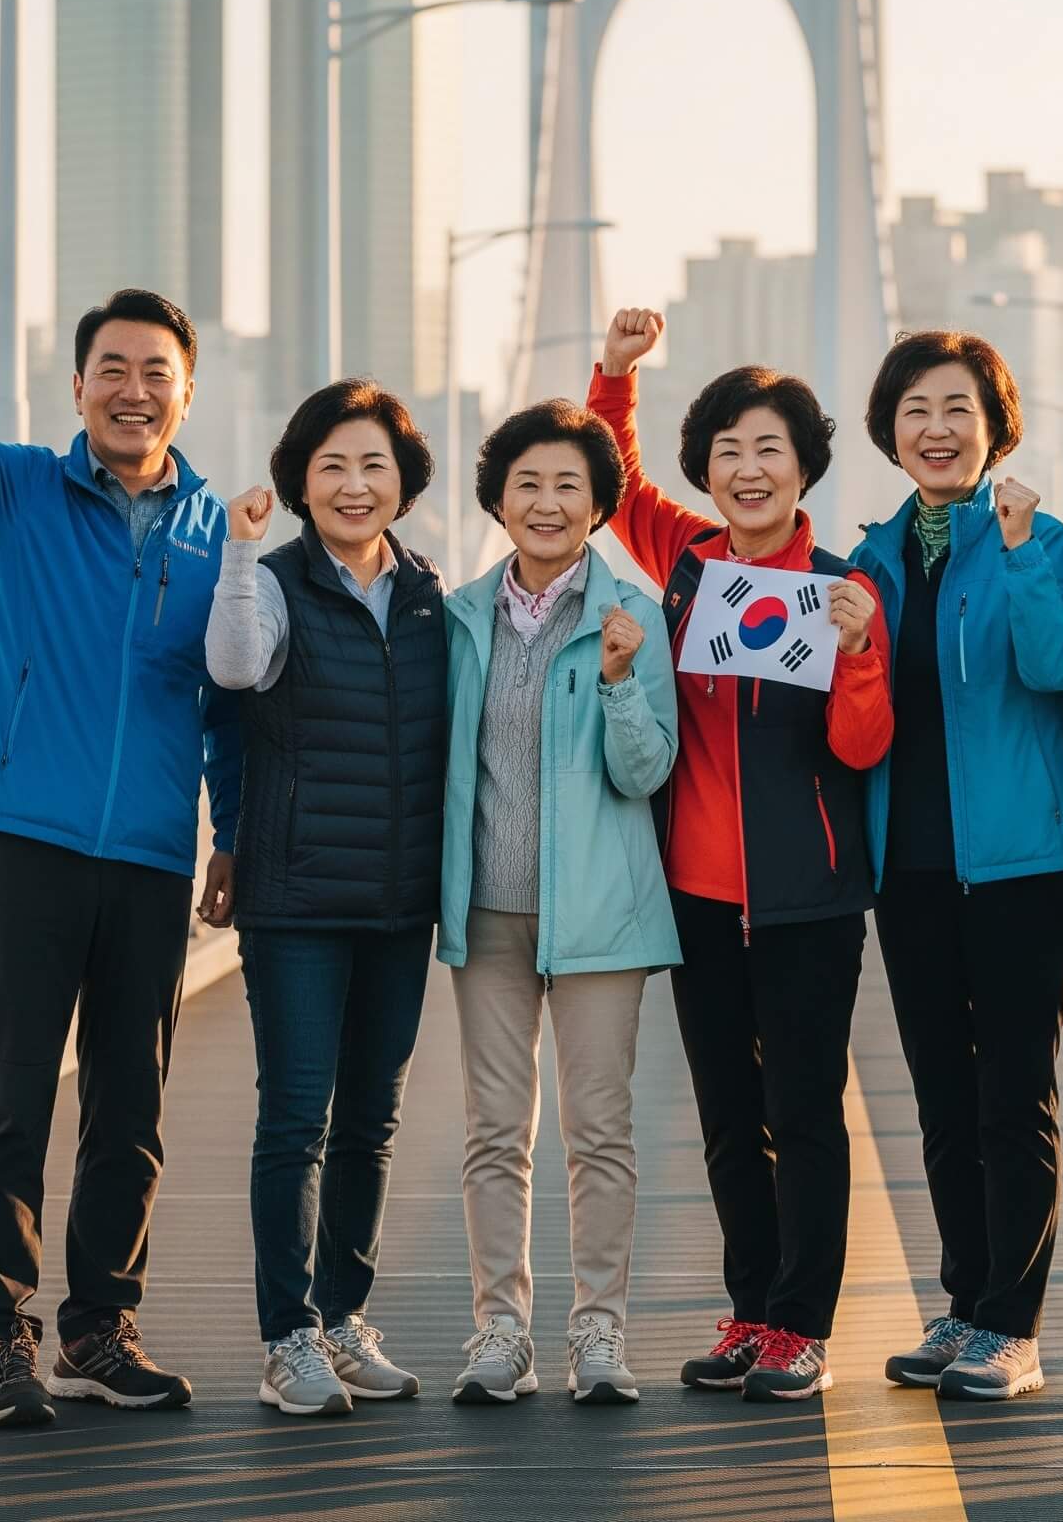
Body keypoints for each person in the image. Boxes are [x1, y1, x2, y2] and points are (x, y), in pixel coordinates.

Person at [0, 216, 242, 1430]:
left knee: (130, 1111)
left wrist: (229, 834)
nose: (134, 390)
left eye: (156, 373)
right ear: (77, 386)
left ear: (185, 394)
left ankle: (98, 1327)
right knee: (10, 1099)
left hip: (148, 854)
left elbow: (232, 699)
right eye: (112, 369)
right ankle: (0, 1335)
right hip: (26, 838)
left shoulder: (217, 535)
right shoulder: (15, 489)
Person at [586, 309, 893, 1405]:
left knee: (801, 1113)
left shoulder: (843, 587)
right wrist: (614, 375)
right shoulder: (688, 564)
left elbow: (862, 746)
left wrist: (857, 651)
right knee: (727, 1117)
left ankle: (802, 1325)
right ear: (706, 471)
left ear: (804, 467)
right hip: (698, 895)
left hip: (808, 896)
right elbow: (613, 483)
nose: (749, 469)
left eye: (770, 448)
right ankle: (752, 1310)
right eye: (728, 451)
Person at [848, 331, 1063, 1405]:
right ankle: (962, 1300)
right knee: (942, 1096)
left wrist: (1024, 548)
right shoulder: (870, 561)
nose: (936, 428)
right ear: (890, 431)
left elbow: (1052, 663)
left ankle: (1011, 1325)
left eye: (957, 409)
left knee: (1012, 1096)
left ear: (995, 427)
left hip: (1020, 864)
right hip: (908, 868)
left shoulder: (1038, 536)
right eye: (915, 410)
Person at [204, 379, 447, 1417]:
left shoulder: (429, 595)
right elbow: (231, 668)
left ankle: (343, 1318)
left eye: (373, 465)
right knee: (296, 1118)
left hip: (399, 899)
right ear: (300, 481)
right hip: (296, 897)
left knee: (371, 1124)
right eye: (332, 465)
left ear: (404, 482)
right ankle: (287, 1338)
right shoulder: (272, 583)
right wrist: (238, 552)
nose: (354, 484)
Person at [438, 399, 681, 1409]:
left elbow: (647, 771)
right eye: (527, 483)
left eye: (568, 486)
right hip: (488, 915)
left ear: (598, 505)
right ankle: (500, 1330)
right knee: (495, 1131)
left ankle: (598, 1329)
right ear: (497, 499)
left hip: (600, 918)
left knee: (598, 1132)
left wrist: (620, 681)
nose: (546, 502)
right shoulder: (458, 618)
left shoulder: (635, 616)